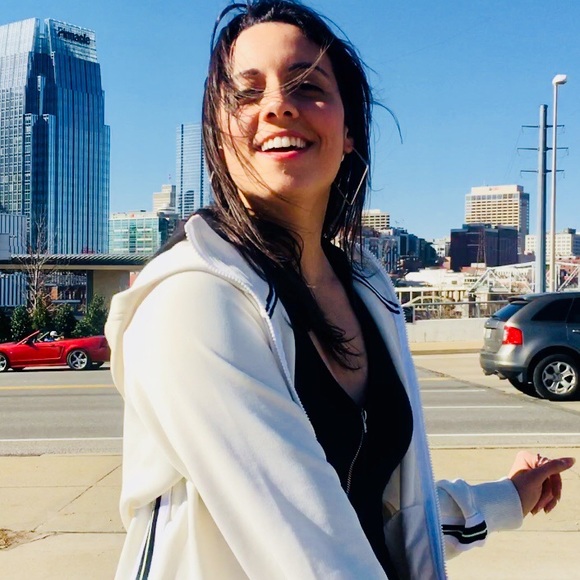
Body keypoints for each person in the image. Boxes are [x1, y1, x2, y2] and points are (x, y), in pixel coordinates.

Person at [105, 1, 575, 578]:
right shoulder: (192, 303)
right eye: (247, 93)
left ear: (349, 130)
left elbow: (373, 513)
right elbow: (311, 551)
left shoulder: (366, 288)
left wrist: (508, 497)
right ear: (219, 137)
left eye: (307, 86)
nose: (278, 106)